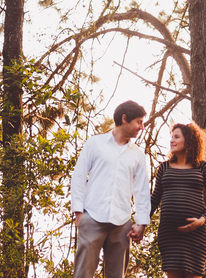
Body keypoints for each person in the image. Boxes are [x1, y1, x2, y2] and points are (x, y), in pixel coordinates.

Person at [70, 100, 151, 278]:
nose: (141, 127)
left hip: (122, 224)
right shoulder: (95, 143)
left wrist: (141, 223)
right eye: (139, 121)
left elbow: (142, 190)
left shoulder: (137, 154)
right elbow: (78, 177)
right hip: (92, 217)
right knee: (82, 274)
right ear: (124, 119)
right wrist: (79, 214)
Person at [150, 122, 206, 278]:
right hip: (169, 234)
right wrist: (141, 223)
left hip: (196, 235)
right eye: (171, 137)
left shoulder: (203, 167)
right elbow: (154, 201)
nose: (172, 140)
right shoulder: (164, 168)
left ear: (189, 140)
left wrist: (201, 220)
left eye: (176, 137)